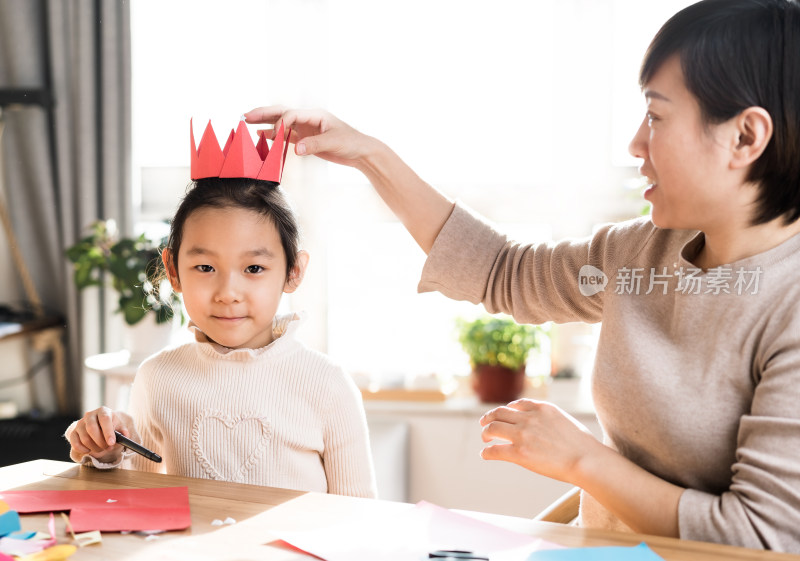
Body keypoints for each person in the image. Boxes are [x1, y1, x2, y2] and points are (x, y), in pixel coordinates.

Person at [243, 0, 800, 551]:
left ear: (746, 137)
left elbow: (759, 537)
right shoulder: (640, 253)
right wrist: (370, 156)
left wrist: (582, 459)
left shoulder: (788, 307)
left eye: (656, 116)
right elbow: (502, 270)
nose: (635, 144)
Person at [65, 173, 377, 499]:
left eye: (254, 268)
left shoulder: (327, 383)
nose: (228, 293)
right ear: (172, 270)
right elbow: (141, 498)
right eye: (205, 268)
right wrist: (106, 454)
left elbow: (360, 516)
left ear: (293, 271)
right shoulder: (158, 376)